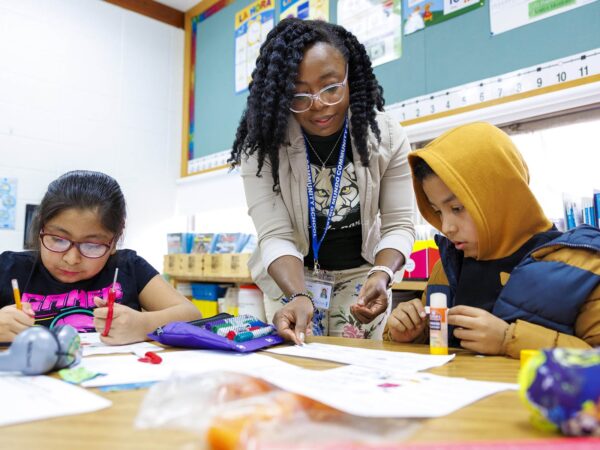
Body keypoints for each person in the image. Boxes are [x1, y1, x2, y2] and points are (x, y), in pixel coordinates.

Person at [230, 18, 415, 344]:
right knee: (298, 368)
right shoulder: (263, 147)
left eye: (331, 87)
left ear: (349, 76)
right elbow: (274, 235)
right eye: (299, 95)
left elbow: (399, 224)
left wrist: (382, 274)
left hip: (363, 278)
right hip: (291, 278)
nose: (318, 104)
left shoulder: (385, 136)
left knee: (357, 375)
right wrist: (298, 294)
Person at [385, 122, 600, 358]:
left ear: (502, 196)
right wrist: (411, 332)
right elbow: (434, 345)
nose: (447, 227)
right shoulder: (447, 267)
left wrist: (509, 339)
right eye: (437, 212)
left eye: (457, 208)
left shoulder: (582, 266)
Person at [0, 170, 201, 344]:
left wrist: (143, 325)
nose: (71, 258)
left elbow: (192, 315)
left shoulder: (128, 267)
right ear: (40, 229)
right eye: (58, 240)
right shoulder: (9, 268)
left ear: (114, 242)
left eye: (92, 245)